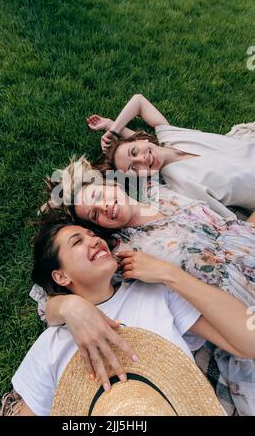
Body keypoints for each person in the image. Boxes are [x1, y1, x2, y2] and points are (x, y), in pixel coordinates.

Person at [39, 156, 255, 415]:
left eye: (98, 195)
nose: (104, 208)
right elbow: (47, 300)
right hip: (240, 304)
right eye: (94, 215)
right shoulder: (122, 252)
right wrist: (69, 306)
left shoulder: (161, 191)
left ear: (113, 185)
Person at [10, 221, 254, 416]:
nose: (94, 240)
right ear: (61, 277)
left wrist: (171, 275)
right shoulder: (52, 343)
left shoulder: (154, 294)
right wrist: (70, 307)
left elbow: (249, 340)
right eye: (77, 242)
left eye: (92, 234)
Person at [86, 94, 255, 219]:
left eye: (134, 152)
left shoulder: (171, 136)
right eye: (134, 168)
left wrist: (113, 128)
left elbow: (138, 101)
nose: (141, 160)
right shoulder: (181, 185)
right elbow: (231, 221)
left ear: (143, 139)